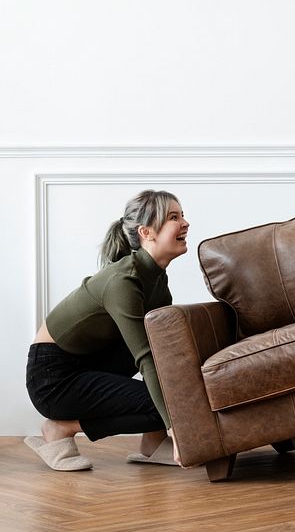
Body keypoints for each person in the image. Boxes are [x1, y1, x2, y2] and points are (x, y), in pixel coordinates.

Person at [25, 190, 189, 471]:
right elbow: (146, 357)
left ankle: (153, 443)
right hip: (53, 379)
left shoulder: (156, 279)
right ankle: (62, 428)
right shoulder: (123, 281)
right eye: (174, 217)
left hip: (89, 363)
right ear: (146, 232)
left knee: (169, 377)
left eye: (182, 215)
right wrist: (178, 428)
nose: (185, 223)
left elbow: (161, 350)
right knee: (165, 406)